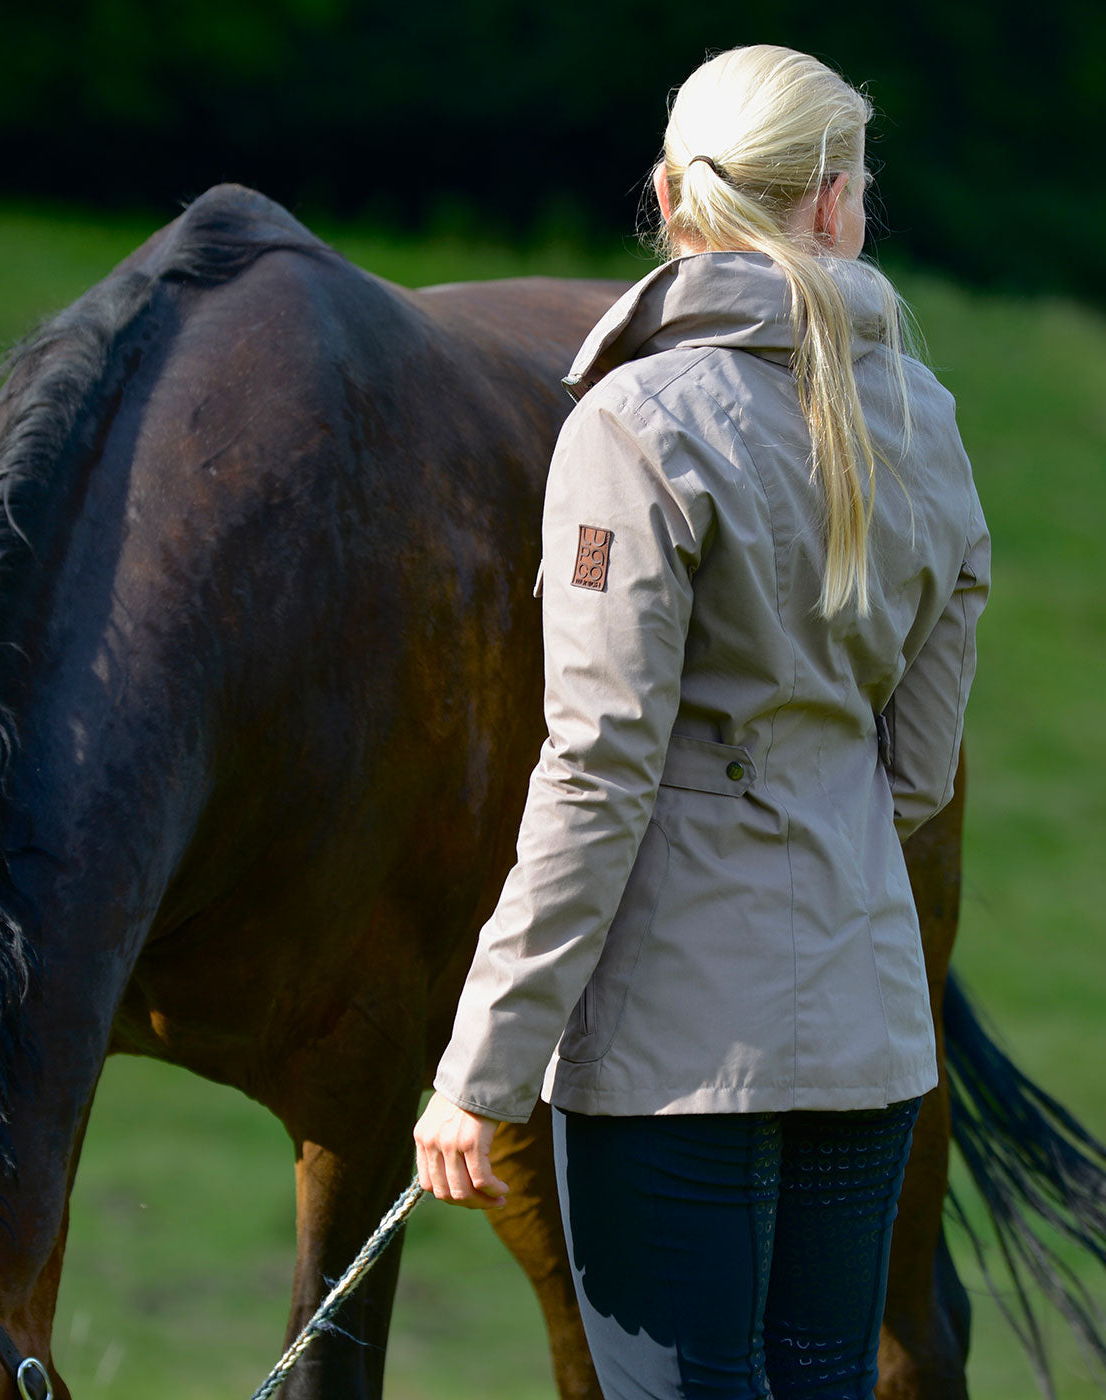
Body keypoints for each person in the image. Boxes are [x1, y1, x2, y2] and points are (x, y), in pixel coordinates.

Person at [413, 44, 990, 1400]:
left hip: (670, 1065)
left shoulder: (635, 422)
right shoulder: (932, 419)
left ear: (673, 198)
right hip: (867, 1045)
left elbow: (598, 772)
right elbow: (914, 773)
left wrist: (478, 1072)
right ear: (841, 205)